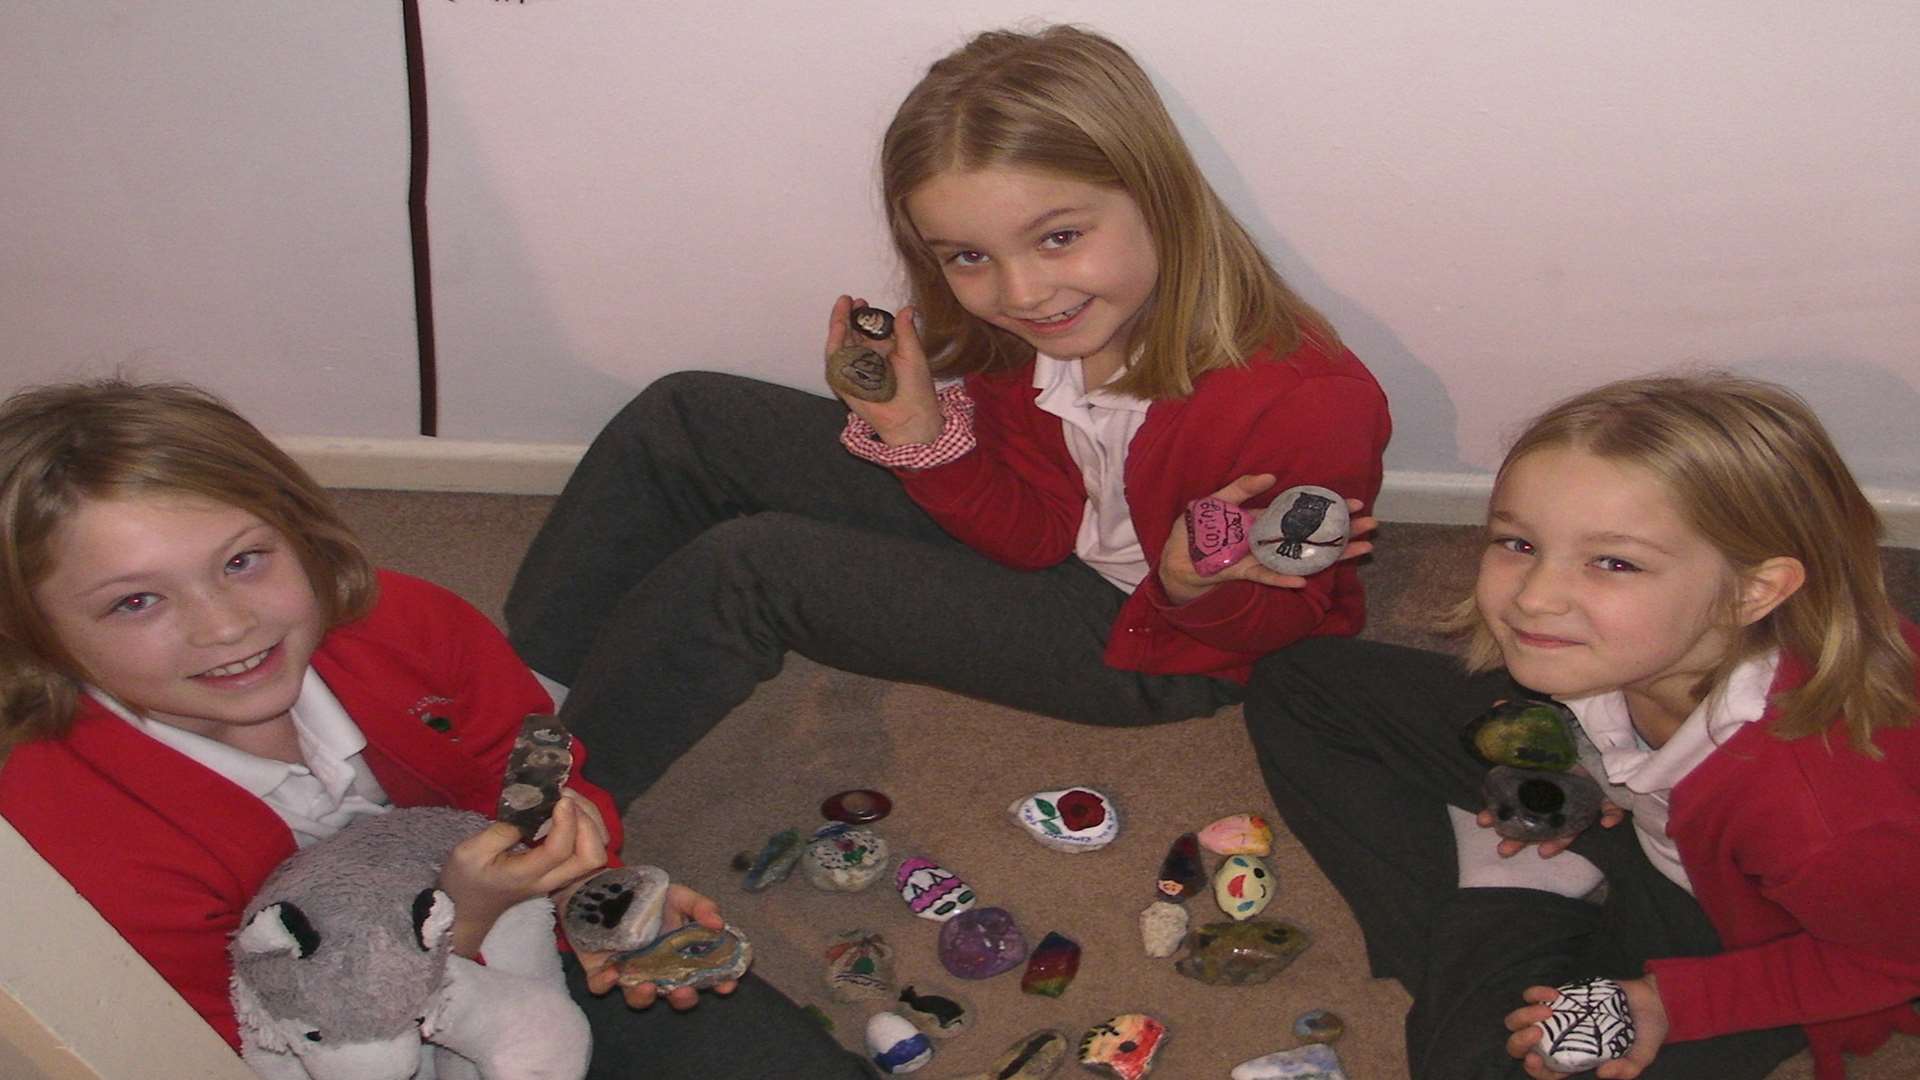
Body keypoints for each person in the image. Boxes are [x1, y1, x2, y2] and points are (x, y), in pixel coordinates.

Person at [506, 24, 1392, 806]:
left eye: (1058, 236)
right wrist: (920, 434)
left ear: (1159, 197)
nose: (1020, 291)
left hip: (1160, 636)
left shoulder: (1308, 406)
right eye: (969, 255)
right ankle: (519, 690)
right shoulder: (1026, 329)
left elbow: (1289, 621)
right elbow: (1035, 531)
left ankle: (545, 822)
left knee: (752, 570)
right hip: (1062, 542)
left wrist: (1197, 586)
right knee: (687, 413)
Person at [0, 379, 871, 1079]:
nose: (225, 626)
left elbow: (537, 767)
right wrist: (467, 923)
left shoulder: (408, 625)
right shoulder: (70, 834)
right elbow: (241, 1043)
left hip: (514, 935)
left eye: (242, 560)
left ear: (301, 535)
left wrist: (579, 886)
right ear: (36, 637)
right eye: (136, 601)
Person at [1242, 373, 1920, 1079]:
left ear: (1752, 591)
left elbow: (1893, 959)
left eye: (1613, 562)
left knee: (1481, 1063)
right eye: (1519, 543)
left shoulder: (1818, 817)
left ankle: (1509, 904)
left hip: (1728, 919)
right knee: (1301, 684)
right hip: (1626, 791)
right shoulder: (1627, 648)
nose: (1535, 598)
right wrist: (1584, 774)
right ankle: (1521, 901)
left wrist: (1672, 1004)